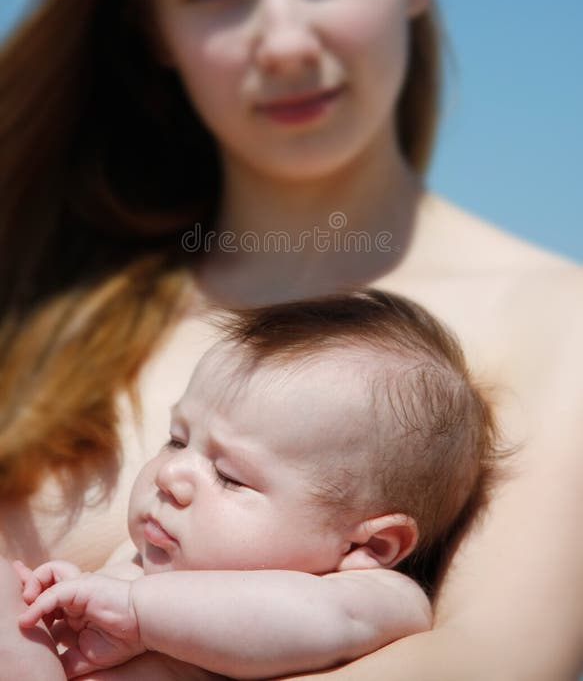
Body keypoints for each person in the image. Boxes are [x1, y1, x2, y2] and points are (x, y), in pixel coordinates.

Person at [0, 0, 581, 679]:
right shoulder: (44, 292)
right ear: (152, 18)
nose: (282, 41)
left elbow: (487, 664)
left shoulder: (562, 327)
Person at [15, 291, 498, 680]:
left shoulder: (370, 596)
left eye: (229, 476)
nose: (169, 476)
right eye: (177, 440)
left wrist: (138, 613)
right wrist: (68, 594)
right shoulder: (149, 552)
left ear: (369, 543)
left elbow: (307, 620)